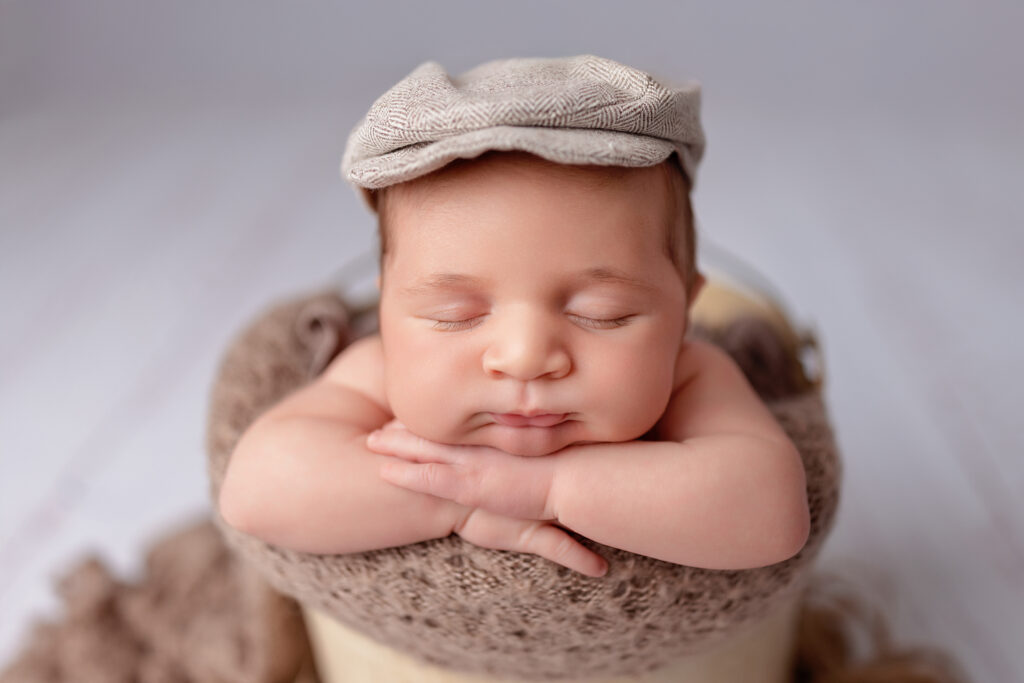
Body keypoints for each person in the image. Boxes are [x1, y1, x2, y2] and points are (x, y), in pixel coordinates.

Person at [218, 55, 810, 579]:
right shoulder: (378, 369)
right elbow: (256, 489)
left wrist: (545, 489)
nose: (525, 355)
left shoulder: (690, 375)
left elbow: (771, 513)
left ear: (684, 310)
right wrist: (461, 499)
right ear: (387, 310)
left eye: (603, 314)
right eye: (455, 314)